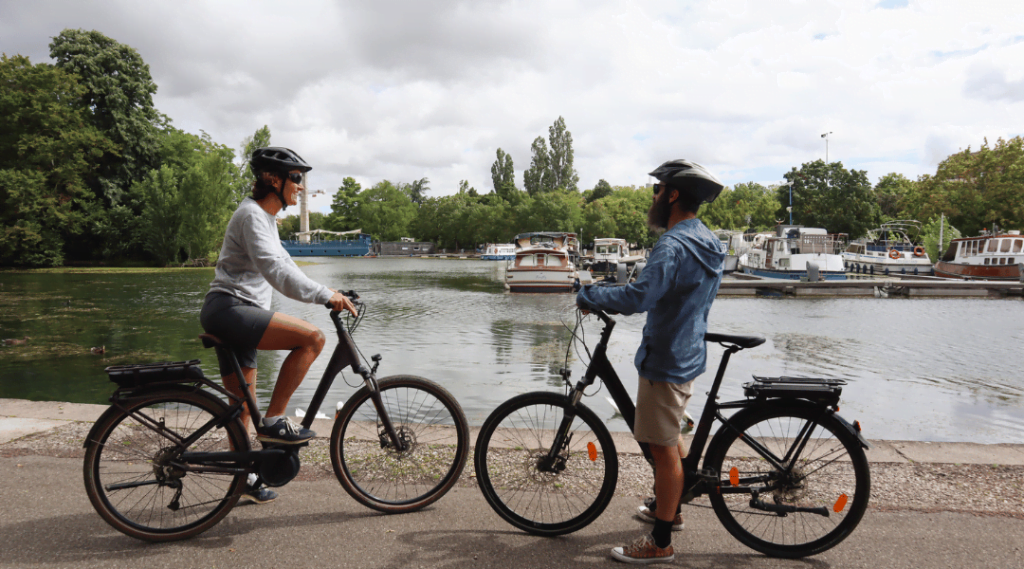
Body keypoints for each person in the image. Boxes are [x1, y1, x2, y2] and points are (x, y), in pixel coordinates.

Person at [575, 159, 725, 564]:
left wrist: (590, 295)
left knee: (661, 449)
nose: (654, 197)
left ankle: (661, 540)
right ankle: (669, 504)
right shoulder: (707, 240)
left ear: (673, 194)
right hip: (688, 351)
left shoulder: (674, 245)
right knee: (666, 434)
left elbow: (638, 298)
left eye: (657, 190)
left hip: (666, 358)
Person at [200, 146, 358, 504]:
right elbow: (276, 272)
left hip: (234, 312)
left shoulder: (265, 220)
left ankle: (246, 478)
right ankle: (274, 422)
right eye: (297, 178)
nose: (300, 186)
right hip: (232, 309)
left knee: (241, 409)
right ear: (274, 179)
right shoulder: (252, 215)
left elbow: (286, 264)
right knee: (312, 339)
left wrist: (329, 290)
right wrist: (324, 297)